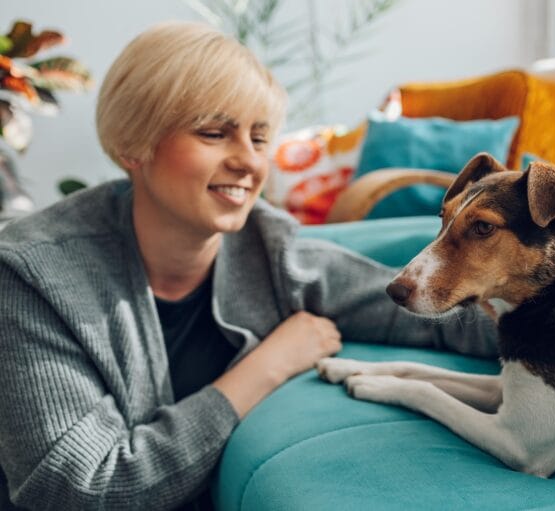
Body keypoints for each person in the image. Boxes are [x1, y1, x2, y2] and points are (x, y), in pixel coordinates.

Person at [0, 22, 497, 511]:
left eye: (259, 138)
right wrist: (263, 368)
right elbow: (78, 488)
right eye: (215, 133)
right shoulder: (34, 275)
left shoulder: (270, 248)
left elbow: (439, 319)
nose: (248, 161)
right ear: (134, 144)